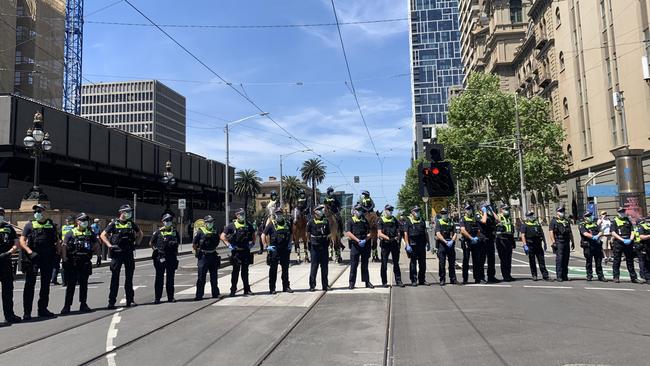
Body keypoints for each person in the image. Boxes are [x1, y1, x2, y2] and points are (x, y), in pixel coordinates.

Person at [19, 204, 58, 319]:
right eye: (35, 211)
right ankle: (27, 312)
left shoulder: (50, 225)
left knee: (45, 285)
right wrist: (30, 252)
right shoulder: (29, 225)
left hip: (47, 258)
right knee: (29, 285)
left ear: (45, 212)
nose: (37, 213)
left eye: (39, 211)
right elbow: (22, 240)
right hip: (33, 258)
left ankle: (43, 309)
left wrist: (59, 253)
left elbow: (57, 240)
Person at [101, 204, 143, 309]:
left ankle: (130, 300)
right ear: (122, 212)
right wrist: (110, 246)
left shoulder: (131, 223)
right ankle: (111, 302)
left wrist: (136, 243)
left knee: (129, 278)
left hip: (128, 253)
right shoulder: (114, 223)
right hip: (117, 254)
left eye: (130, 211)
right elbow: (102, 235)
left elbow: (140, 233)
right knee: (115, 278)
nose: (129, 213)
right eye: (127, 211)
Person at [60, 213, 95, 314]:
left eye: (86, 220)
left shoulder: (89, 233)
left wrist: (96, 255)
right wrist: (65, 258)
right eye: (83, 220)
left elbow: (96, 244)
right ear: (78, 222)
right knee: (71, 285)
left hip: (85, 261)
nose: (85, 222)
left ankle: (83, 304)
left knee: (84, 284)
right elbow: (64, 245)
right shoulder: (71, 233)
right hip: (73, 262)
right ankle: (67, 306)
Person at [222, 208, 255, 296]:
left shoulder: (248, 225)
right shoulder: (231, 225)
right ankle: (233, 290)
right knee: (235, 272)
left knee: (245, 272)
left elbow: (253, 234)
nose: (242, 215)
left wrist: (253, 243)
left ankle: (247, 289)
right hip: (236, 252)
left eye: (243, 213)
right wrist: (228, 245)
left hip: (245, 251)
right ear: (236, 215)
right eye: (240, 214)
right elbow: (222, 236)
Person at [262, 208, 293, 294]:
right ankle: (272, 288)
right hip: (275, 249)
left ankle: (286, 286)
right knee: (273, 270)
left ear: (283, 214)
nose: (279, 215)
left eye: (280, 213)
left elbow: (291, 234)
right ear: (275, 214)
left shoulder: (287, 224)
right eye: (277, 213)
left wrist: (290, 243)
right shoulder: (272, 224)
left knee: (285, 269)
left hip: (285, 249)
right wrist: (266, 246)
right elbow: (263, 234)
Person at [151, 214, 180, 304]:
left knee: (170, 278)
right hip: (161, 257)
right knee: (159, 278)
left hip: (171, 257)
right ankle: (157, 298)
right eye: (167, 220)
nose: (168, 222)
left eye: (170, 220)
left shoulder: (174, 232)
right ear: (162, 221)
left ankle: (170, 297)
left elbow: (178, 242)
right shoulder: (158, 232)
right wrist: (157, 250)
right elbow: (151, 242)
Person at [0, 207, 21, 323]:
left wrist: (8, 253)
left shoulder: (9, 228)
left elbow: (16, 243)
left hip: (5, 261)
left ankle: (9, 315)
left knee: (8, 290)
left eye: (1, 214)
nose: (0, 215)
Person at [345, 204, 374, 289]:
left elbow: (370, 232)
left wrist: (366, 239)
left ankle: (367, 282)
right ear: (354, 211)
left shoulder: (365, 220)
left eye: (361, 210)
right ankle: (351, 283)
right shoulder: (350, 221)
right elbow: (348, 233)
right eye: (358, 210)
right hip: (355, 245)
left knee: (365, 265)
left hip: (365, 245)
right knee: (354, 265)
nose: (360, 212)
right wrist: (358, 241)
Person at [193, 215, 221, 300]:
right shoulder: (200, 232)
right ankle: (199, 295)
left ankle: (215, 294)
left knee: (214, 276)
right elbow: (194, 244)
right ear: (205, 223)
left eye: (212, 222)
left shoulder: (215, 231)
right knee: (201, 277)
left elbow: (217, 242)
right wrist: (199, 250)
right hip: (203, 256)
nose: (211, 223)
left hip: (213, 255)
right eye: (209, 222)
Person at [610, 207, 640, 283]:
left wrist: (630, 239)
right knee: (617, 260)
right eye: (620, 212)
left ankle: (633, 278)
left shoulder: (628, 220)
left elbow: (632, 230)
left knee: (630, 260)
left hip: (628, 243)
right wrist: (622, 240)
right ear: (617, 213)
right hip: (619, 243)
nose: (622, 213)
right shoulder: (614, 221)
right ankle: (616, 277)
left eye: (623, 211)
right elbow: (613, 232)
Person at [377, 204, 404, 288]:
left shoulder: (394, 219)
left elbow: (398, 229)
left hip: (394, 244)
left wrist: (398, 235)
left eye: (391, 210)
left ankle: (398, 281)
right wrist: (388, 238)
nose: (390, 212)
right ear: (385, 210)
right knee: (384, 264)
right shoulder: (381, 220)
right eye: (389, 210)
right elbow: (379, 233)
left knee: (396, 263)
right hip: (385, 244)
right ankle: (384, 282)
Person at [404, 206, 430, 286]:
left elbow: (425, 232)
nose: (417, 212)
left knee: (422, 263)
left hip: (422, 244)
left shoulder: (422, 220)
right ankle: (413, 280)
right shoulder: (408, 221)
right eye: (416, 211)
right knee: (413, 263)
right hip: (412, 245)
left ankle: (422, 280)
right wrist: (407, 245)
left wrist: (428, 243)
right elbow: (406, 234)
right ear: (412, 212)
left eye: (418, 211)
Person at [307, 205, 330, 291]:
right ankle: (312, 285)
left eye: (322, 210)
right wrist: (310, 243)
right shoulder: (311, 222)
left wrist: (327, 243)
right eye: (320, 210)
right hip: (315, 247)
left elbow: (328, 234)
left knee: (324, 267)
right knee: (314, 266)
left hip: (324, 246)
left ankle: (325, 285)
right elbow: (308, 234)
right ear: (315, 211)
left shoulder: (326, 221)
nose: (322, 211)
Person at [520, 211, 549, 281]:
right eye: (529, 215)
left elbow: (542, 234)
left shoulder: (537, 224)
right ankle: (534, 275)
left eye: (532, 215)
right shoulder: (525, 225)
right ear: (527, 216)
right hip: (530, 245)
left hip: (538, 244)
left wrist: (545, 243)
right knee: (532, 261)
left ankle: (545, 275)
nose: (531, 216)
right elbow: (523, 235)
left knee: (542, 261)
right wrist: (525, 245)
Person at [578, 211, 606, 282]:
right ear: (585, 217)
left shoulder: (594, 224)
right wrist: (593, 236)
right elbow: (585, 233)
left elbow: (601, 231)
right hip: (588, 245)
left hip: (596, 245)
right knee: (589, 261)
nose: (589, 217)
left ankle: (600, 276)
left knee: (598, 261)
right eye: (588, 216)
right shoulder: (582, 224)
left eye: (590, 215)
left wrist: (597, 236)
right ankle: (589, 275)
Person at [549, 207, 575, 282]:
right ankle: (559, 276)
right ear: (557, 212)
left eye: (563, 211)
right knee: (559, 259)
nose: (562, 212)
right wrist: (553, 242)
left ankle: (565, 275)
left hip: (566, 241)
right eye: (560, 211)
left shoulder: (566, 221)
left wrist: (572, 241)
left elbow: (570, 232)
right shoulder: (553, 221)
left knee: (566, 259)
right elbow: (551, 232)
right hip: (559, 241)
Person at [460, 204, 484, 284]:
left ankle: (477, 278)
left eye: (470, 209)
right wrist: (471, 238)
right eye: (467, 209)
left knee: (476, 261)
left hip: (475, 242)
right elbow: (463, 230)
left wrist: (477, 237)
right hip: (467, 241)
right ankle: (465, 279)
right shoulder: (463, 219)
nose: (469, 210)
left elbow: (478, 230)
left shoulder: (474, 219)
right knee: (466, 260)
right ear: (465, 210)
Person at [434, 207, 457, 286]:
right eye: (442, 213)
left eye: (445, 213)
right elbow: (438, 234)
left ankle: (453, 279)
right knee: (442, 263)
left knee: (452, 263)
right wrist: (445, 241)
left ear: (448, 214)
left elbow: (455, 233)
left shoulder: (451, 222)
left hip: (450, 245)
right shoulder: (439, 222)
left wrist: (452, 241)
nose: (444, 215)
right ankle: (442, 279)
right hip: (442, 245)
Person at [495, 205, 515, 282]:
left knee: (508, 259)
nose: (507, 210)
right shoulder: (498, 217)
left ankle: (508, 274)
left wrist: (513, 242)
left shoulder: (509, 217)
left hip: (509, 239)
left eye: (508, 209)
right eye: (505, 209)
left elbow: (511, 229)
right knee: (504, 259)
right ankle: (505, 276)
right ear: (501, 209)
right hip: (501, 239)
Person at [479, 203, 499, 283]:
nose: (486, 208)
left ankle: (491, 276)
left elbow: (497, 220)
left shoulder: (489, 216)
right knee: (482, 259)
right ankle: (481, 277)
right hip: (483, 240)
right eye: (485, 207)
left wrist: (492, 211)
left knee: (491, 259)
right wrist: (484, 212)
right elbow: (483, 221)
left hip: (490, 239)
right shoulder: (478, 215)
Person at [53, 216, 74, 286]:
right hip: (71, 247)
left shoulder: (63, 227)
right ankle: (71, 280)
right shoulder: (74, 227)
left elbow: (58, 236)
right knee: (70, 264)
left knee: (62, 263)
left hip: (63, 246)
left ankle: (63, 281)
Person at [634, 215, 650, 284]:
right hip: (641, 245)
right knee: (643, 262)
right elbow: (640, 237)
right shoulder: (641, 227)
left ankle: (645, 276)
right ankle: (644, 276)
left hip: (646, 246)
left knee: (646, 261)